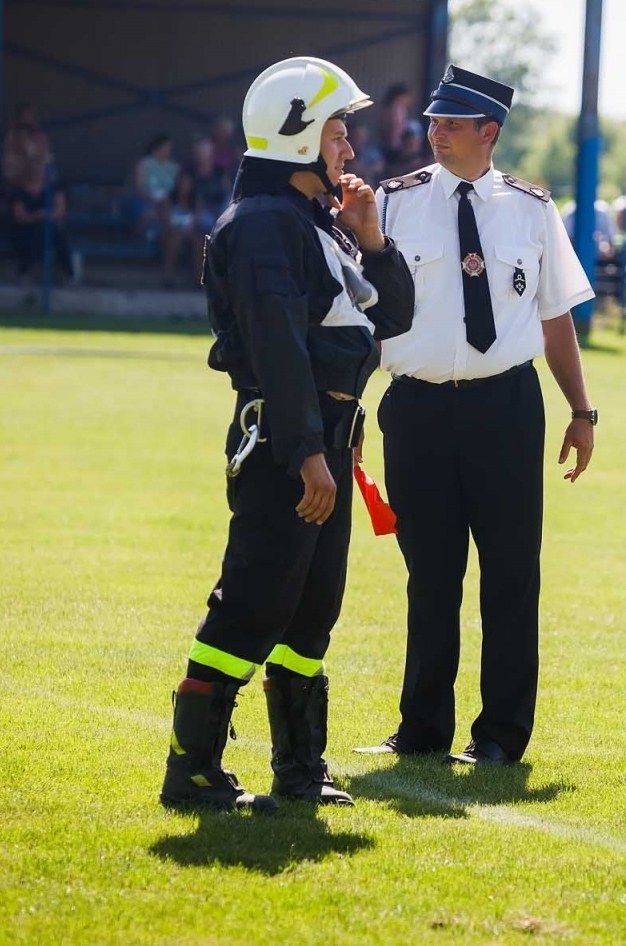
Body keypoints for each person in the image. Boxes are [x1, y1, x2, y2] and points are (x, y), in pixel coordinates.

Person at [159, 56, 415, 812]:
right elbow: (278, 351)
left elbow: (391, 320)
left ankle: (301, 770)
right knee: (252, 603)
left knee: (311, 610)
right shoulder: (267, 225)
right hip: (285, 441)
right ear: (299, 133)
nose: (349, 147)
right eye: (339, 130)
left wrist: (372, 238)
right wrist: (307, 453)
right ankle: (192, 772)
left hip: (327, 438)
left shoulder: (316, 222)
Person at [356, 65, 596, 766]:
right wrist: (347, 407)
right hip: (418, 408)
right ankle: (423, 727)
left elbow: (556, 320)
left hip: (506, 409)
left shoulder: (530, 208)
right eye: (434, 121)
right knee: (429, 574)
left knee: (511, 575)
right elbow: (368, 317)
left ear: (489, 132)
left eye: (452, 124)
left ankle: (499, 737)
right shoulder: (394, 204)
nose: (437, 133)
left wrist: (582, 412)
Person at [133, 133, 179, 246]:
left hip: (168, 202)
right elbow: (139, 187)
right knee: (150, 214)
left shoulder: (174, 167)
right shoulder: (144, 164)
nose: (169, 150)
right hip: (148, 200)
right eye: (166, 147)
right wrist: (151, 198)